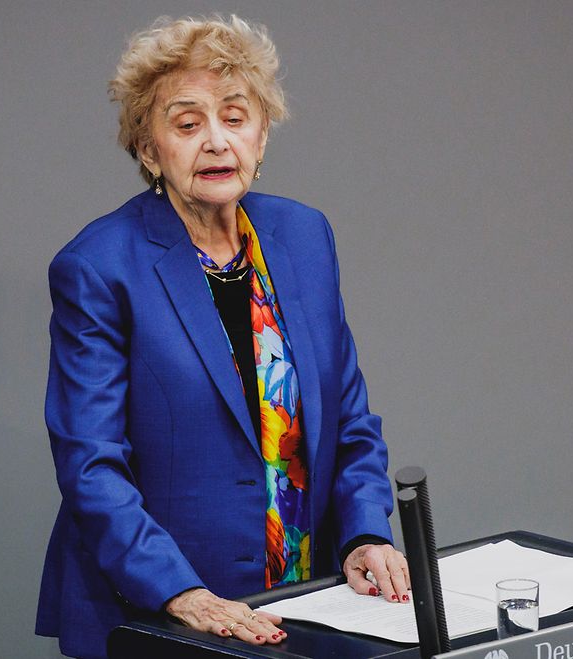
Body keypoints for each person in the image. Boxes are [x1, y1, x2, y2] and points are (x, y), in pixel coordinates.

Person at [35, 15, 410, 659]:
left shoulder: (304, 237)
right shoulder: (99, 267)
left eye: (235, 118)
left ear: (261, 137)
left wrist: (364, 533)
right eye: (187, 125)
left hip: (305, 598)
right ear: (148, 149)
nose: (216, 141)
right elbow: (91, 466)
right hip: (164, 612)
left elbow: (349, 418)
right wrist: (182, 594)